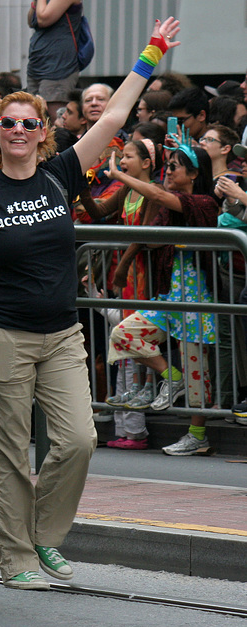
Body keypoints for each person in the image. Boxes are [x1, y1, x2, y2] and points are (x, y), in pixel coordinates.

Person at [0, 17, 181, 588]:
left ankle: (46, 538)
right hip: (0, 336)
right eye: (9, 123)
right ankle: (17, 557)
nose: (20, 130)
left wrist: (150, 53)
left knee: (79, 439)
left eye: (30, 123)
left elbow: (118, 115)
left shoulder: (62, 174)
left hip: (60, 334)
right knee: (8, 456)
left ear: (43, 131)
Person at [107, 139, 219, 456]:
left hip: (197, 301)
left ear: (194, 173)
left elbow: (156, 194)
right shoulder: (170, 210)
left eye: (173, 166)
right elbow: (151, 238)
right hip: (169, 298)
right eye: (166, 165)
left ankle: (198, 436)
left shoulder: (204, 203)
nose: (166, 171)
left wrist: (118, 173)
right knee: (124, 334)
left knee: (199, 373)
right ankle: (172, 377)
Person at [79, 139, 163, 447]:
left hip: (142, 276)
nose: (122, 160)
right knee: (122, 343)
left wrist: (121, 267)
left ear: (146, 162)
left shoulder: (153, 192)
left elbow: (141, 235)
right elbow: (99, 211)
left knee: (136, 344)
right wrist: (83, 187)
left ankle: (136, 427)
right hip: (128, 275)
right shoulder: (126, 189)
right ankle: (126, 426)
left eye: (128, 156)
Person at [27, 1, 84, 116]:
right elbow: (31, 21)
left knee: (53, 118)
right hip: (37, 64)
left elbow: (43, 19)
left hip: (58, 66)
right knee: (32, 113)